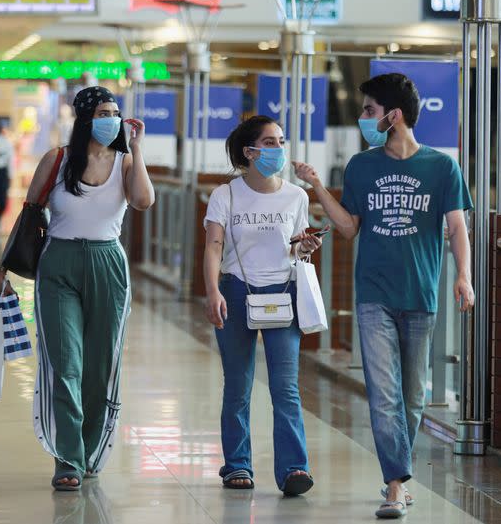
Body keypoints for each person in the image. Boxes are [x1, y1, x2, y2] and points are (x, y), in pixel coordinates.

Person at [293, 73, 474, 519]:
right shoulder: (361, 165)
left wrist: (464, 276)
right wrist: (317, 186)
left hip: (420, 294)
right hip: (373, 293)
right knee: (385, 392)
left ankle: (398, 475)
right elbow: (351, 227)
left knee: (413, 395)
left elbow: (456, 228)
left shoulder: (441, 167)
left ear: (393, 116)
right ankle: (396, 483)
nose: (364, 119)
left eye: (370, 111)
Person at [0, 86, 154, 491]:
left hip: (108, 264)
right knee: (65, 362)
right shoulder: (58, 160)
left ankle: (90, 448)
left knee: (100, 367)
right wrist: (5, 266)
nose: (111, 119)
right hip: (59, 264)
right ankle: (67, 458)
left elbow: (143, 201)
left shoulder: (126, 161)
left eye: (115, 112)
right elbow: (30, 214)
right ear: (84, 118)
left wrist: (137, 149)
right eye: (103, 112)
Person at [203, 115, 322, 496]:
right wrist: (212, 291)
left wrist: (304, 246)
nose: (278, 149)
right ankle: (237, 464)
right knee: (238, 384)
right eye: (270, 142)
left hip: (282, 292)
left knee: (285, 387)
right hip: (237, 290)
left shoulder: (296, 196)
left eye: (281, 141)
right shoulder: (226, 195)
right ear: (249, 151)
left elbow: (295, 244)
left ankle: (294, 469)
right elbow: (213, 246)